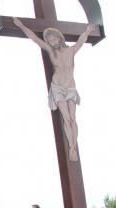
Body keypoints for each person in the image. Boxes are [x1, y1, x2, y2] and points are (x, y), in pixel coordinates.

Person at [13, 18, 96, 161]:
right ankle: (71, 149)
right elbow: (35, 39)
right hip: (58, 88)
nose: (52, 42)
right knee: (67, 118)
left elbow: (81, 41)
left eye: (53, 39)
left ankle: (73, 146)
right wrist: (21, 26)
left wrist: (87, 30)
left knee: (73, 119)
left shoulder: (71, 50)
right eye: (50, 41)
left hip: (70, 87)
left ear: (59, 38)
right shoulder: (51, 52)